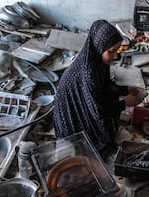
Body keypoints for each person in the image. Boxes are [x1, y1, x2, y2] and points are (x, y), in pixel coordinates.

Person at [53, 20, 143, 151]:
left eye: (117, 50)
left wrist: (126, 89)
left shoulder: (99, 61)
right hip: (73, 111)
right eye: (112, 51)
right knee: (94, 143)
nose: (116, 56)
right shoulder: (87, 73)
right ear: (99, 47)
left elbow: (105, 87)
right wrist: (125, 103)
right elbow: (97, 110)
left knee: (112, 100)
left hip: (87, 100)